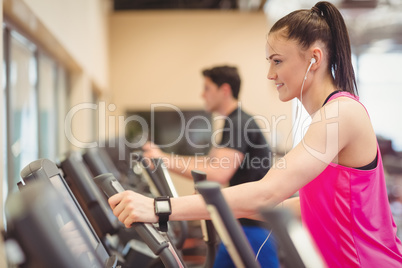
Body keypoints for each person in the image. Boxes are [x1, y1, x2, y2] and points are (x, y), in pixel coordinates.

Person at [109, 1, 402, 267]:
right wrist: (217, 211)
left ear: (314, 58)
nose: (270, 74)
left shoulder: (342, 114)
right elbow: (305, 205)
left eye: (277, 61)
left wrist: (159, 207)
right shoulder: (327, 117)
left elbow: (267, 192)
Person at [142, 65, 279, 267]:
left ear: (224, 90)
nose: (202, 94)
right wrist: (163, 157)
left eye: (207, 88)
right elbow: (209, 164)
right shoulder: (233, 121)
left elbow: (218, 173)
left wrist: (165, 160)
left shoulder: (237, 123)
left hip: (254, 228)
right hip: (242, 223)